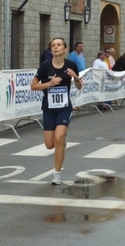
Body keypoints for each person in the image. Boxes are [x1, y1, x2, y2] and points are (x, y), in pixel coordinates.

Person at [30, 37, 83, 185]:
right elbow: (33, 86)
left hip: (64, 108)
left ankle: (57, 174)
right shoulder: (45, 66)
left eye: (59, 45)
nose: (56, 47)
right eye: (53, 45)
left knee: (58, 138)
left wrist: (77, 78)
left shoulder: (71, 65)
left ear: (65, 49)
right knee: (50, 144)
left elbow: (79, 86)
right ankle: (61, 145)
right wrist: (50, 83)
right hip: (48, 108)